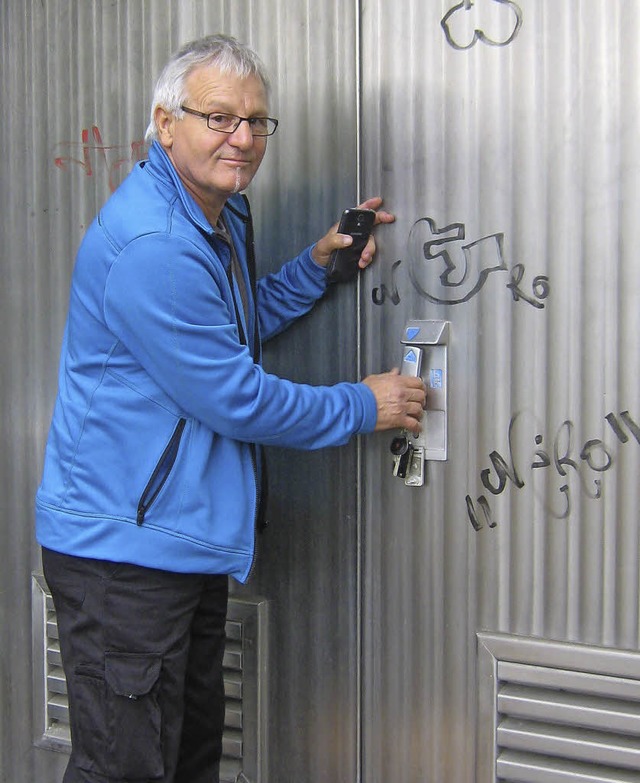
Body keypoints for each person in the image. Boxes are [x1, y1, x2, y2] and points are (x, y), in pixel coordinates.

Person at [35, 33, 426, 783]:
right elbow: (232, 395)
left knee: (186, 761)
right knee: (125, 769)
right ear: (165, 122)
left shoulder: (218, 212)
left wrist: (315, 269)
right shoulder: (154, 242)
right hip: (123, 556)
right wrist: (361, 404)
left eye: (255, 121)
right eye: (219, 118)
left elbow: (226, 328)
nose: (242, 139)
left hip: (177, 543)